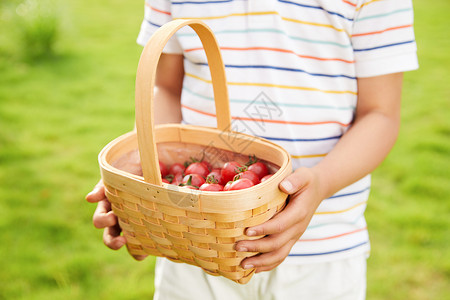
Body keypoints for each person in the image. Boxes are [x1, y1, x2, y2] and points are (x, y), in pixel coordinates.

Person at [86, 0, 418, 299]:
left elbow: (381, 113)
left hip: (321, 250)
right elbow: (166, 87)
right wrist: (142, 179)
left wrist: (320, 184)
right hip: (195, 237)